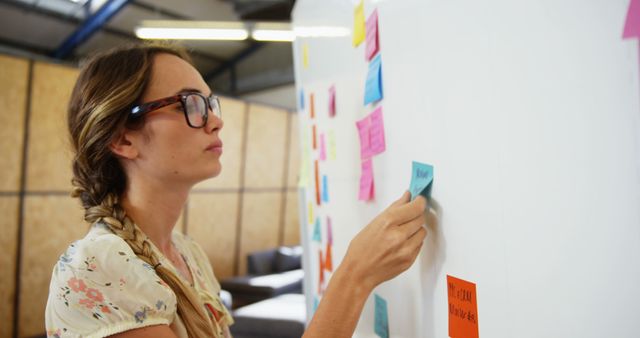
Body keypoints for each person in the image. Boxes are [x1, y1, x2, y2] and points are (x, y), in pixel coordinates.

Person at [45, 42, 428, 338]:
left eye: (211, 103)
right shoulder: (98, 268)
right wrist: (355, 274)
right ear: (122, 139)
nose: (216, 121)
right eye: (190, 104)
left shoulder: (186, 254)